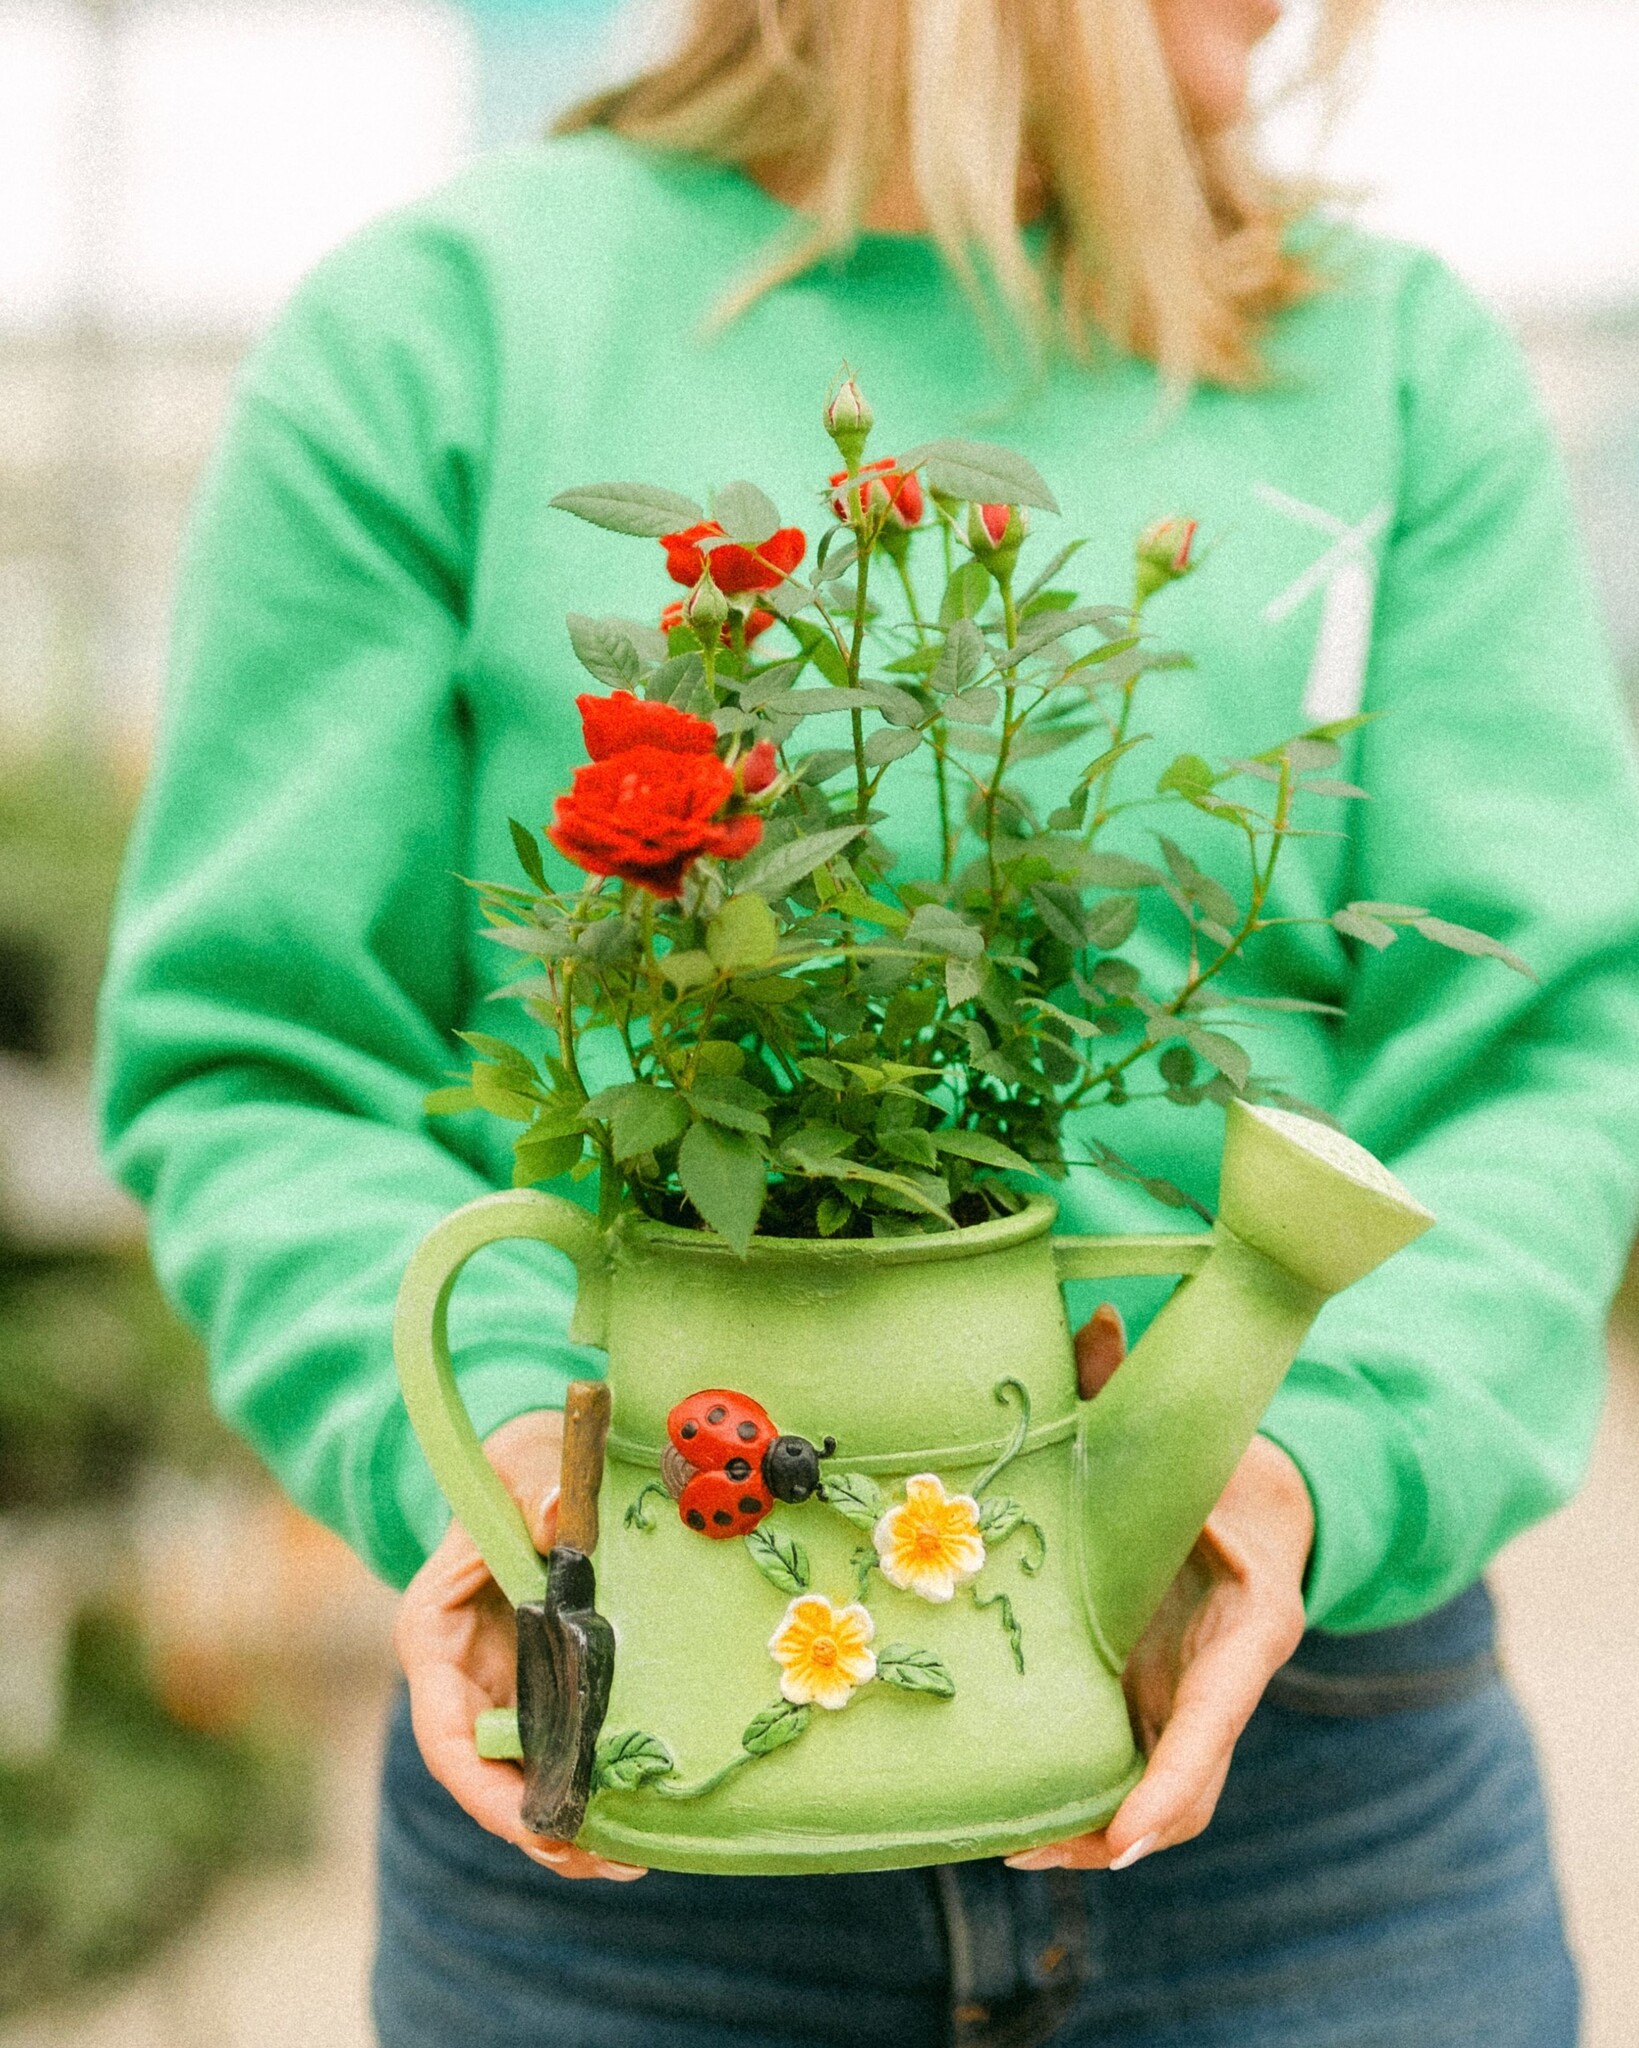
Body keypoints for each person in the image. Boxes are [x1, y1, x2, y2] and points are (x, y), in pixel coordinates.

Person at [96, 1, 1639, 2042]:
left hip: (1309, 1796)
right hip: (637, 1775)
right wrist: (494, 1471)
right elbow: (261, 1053)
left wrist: (1310, 1465)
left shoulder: (1381, 353)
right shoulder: (446, 329)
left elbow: (1542, 1044)